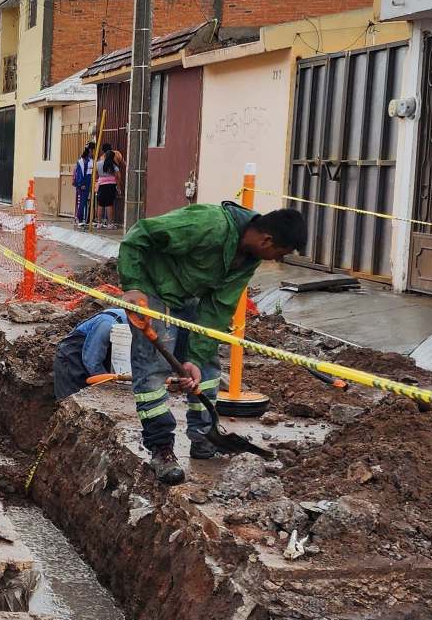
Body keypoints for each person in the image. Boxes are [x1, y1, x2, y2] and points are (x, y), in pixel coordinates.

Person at [116, 201, 306, 485]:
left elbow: (218, 309)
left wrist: (194, 358)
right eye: (280, 253)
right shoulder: (208, 224)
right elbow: (140, 234)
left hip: (188, 296)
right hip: (152, 290)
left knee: (206, 367)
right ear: (267, 240)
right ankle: (161, 447)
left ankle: (204, 436)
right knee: (153, 370)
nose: (276, 260)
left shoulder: (247, 260)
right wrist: (132, 285)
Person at [52, 306, 130, 400]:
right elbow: (92, 361)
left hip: (94, 356)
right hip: (71, 358)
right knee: (71, 401)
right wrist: (108, 383)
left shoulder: (131, 321)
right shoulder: (107, 324)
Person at [95, 143, 122, 229]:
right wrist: (118, 187)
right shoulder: (113, 166)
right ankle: (110, 224)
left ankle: (99, 223)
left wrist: (97, 182)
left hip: (101, 185)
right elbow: (118, 177)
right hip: (111, 186)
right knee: (109, 204)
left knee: (100, 204)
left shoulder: (98, 164)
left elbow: (95, 174)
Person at [72, 143, 95, 229]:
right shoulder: (82, 161)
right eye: (93, 150)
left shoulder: (89, 160)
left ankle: (85, 219)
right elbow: (80, 174)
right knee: (82, 202)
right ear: (90, 150)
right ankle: (80, 219)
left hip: (88, 183)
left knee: (86, 202)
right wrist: (81, 184)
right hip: (84, 184)